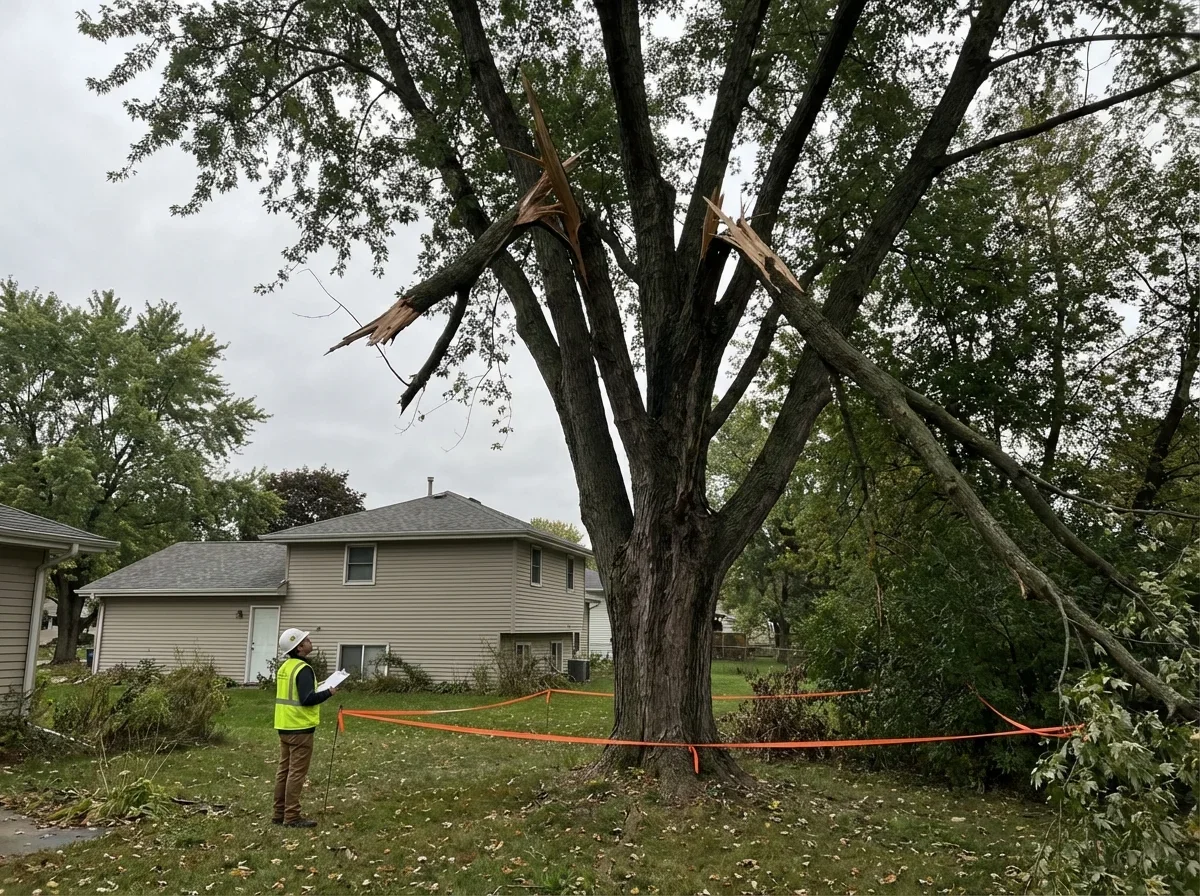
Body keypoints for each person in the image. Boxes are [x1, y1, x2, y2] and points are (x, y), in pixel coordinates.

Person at [273, 627, 337, 827]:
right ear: (299, 648)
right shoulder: (303, 669)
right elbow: (307, 699)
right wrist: (328, 692)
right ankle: (292, 817)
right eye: (306, 640)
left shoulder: (285, 667)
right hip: (300, 728)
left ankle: (278, 814)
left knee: (284, 771)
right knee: (296, 773)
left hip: (284, 725)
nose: (310, 641)